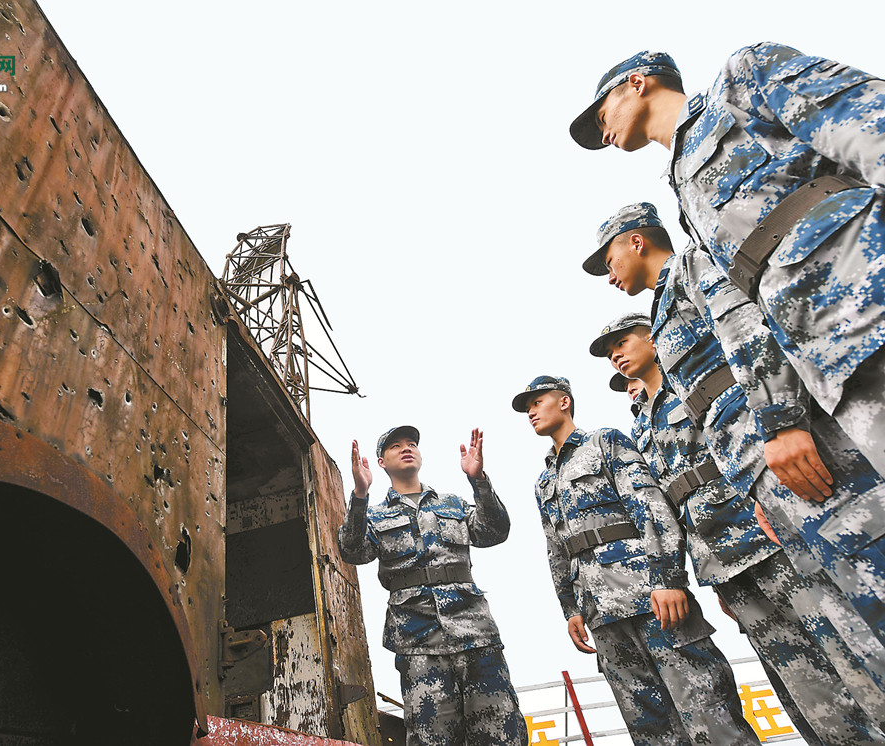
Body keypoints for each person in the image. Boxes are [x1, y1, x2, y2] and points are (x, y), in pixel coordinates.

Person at [583, 201, 885, 711]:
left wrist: (782, 421)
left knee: (851, 644)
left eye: (608, 259)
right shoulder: (664, 322)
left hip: (781, 481)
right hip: (742, 521)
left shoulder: (695, 267)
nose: (609, 273)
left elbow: (749, 335)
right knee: (809, 683)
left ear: (636, 241)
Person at [568, 45, 885, 478]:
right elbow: (746, 310)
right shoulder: (685, 195)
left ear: (637, 83)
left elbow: (870, 125)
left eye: (603, 116)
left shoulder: (740, 83)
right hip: (830, 365)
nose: (604, 133)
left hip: (870, 295)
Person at [514, 375, 759, 746]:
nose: (531, 412)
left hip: (650, 597)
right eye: (527, 408)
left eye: (537, 402)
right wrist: (571, 610)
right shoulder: (544, 482)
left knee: (709, 714)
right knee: (651, 730)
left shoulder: (604, 442)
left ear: (564, 401)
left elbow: (650, 506)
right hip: (601, 615)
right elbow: (557, 549)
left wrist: (668, 579)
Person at [337, 426, 526, 746]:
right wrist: (359, 495)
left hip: (474, 633)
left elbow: (494, 532)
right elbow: (353, 552)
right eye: (395, 446)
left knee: (499, 728)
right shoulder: (375, 516)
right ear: (381, 462)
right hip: (417, 640)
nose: (406, 448)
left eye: (411, 443)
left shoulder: (452, 504)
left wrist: (479, 480)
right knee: (432, 736)